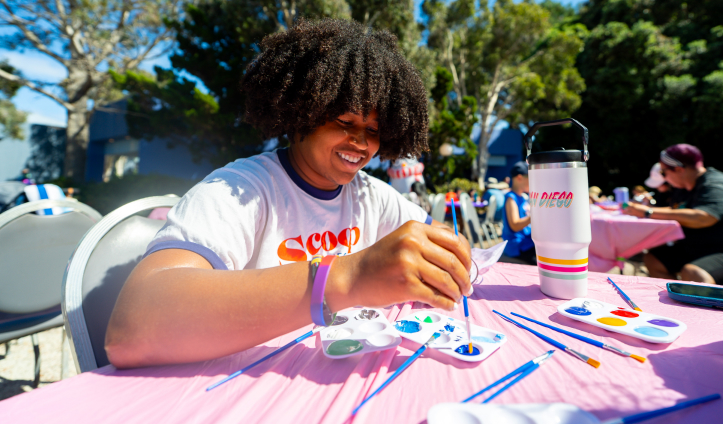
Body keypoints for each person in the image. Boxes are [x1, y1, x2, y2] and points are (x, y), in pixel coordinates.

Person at [104, 19, 472, 369]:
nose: (360, 142)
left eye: (373, 131)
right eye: (344, 123)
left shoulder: (371, 195)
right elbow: (132, 328)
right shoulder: (241, 190)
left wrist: (445, 255)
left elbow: (438, 240)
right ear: (302, 114)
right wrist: (348, 276)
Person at [623, 144, 723, 289]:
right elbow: (678, 211)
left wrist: (647, 212)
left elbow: (704, 217)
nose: (664, 178)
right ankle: (677, 301)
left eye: (663, 172)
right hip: (717, 247)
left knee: (694, 273)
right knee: (654, 259)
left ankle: (706, 309)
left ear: (679, 169)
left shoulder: (716, 185)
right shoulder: (689, 188)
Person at [499, 162, 535, 265]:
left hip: (526, 242)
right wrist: (535, 216)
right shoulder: (511, 197)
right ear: (520, 178)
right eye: (530, 178)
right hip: (518, 247)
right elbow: (514, 225)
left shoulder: (522, 197)